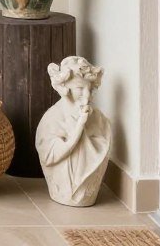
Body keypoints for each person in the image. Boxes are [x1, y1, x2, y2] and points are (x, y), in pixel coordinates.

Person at [35, 56, 112, 207]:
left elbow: (102, 142)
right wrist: (79, 127)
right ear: (64, 88)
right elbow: (49, 155)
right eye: (80, 88)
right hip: (64, 185)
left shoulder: (99, 119)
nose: (87, 95)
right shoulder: (53, 118)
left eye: (90, 89)